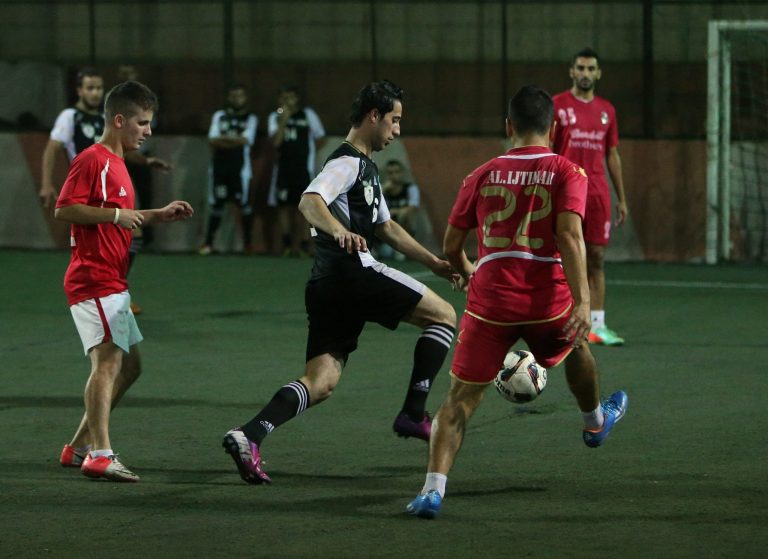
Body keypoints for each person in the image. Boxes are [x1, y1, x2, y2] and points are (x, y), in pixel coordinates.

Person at [406, 86, 629, 519]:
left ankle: (432, 490)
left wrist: (470, 270)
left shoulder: (482, 173)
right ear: (554, 126)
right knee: (578, 347)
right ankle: (594, 422)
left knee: (459, 400)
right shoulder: (568, 172)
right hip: (547, 301)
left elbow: (452, 245)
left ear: (508, 126)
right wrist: (583, 303)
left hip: (491, 304)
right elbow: (568, 236)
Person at [222, 80, 459, 485]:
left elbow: (386, 226)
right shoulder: (346, 163)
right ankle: (414, 413)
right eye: (394, 121)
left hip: (327, 284)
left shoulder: (366, 167)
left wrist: (433, 262)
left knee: (322, 381)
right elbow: (309, 201)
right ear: (374, 116)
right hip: (354, 273)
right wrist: (340, 231)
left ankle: (250, 434)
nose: (396, 131)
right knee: (444, 316)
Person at [55, 81, 194, 482]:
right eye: (142, 122)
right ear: (119, 121)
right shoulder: (93, 160)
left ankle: (77, 446)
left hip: (113, 280)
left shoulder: (119, 164)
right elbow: (65, 209)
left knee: (130, 368)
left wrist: (157, 214)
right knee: (108, 363)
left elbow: (119, 215)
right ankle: (100, 454)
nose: (148, 131)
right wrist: (118, 218)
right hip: (93, 278)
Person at [40, 67, 171, 314]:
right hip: (89, 189)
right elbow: (52, 149)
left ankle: (117, 289)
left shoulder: (106, 118)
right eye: (89, 87)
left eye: (99, 87)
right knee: (110, 239)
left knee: (131, 235)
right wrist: (47, 183)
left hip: (110, 181)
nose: (95, 93)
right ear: (79, 90)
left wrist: (147, 161)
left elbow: (118, 146)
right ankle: (108, 291)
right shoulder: (70, 116)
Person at [552, 48, 629, 346]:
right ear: (571, 71)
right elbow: (549, 149)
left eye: (591, 69)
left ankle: (598, 325)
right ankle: (560, 318)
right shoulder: (558, 106)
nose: (585, 73)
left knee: (596, 257)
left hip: (597, 193)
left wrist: (621, 197)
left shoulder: (607, 110)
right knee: (560, 256)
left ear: (598, 73)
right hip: (565, 191)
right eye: (580, 68)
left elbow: (612, 154)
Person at [266, 84, 326, 256]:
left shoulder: (307, 115)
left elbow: (320, 137)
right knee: (283, 205)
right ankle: (286, 243)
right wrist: (284, 120)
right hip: (283, 168)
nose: (287, 101)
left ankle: (305, 243)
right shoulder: (274, 117)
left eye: (290, 97)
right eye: (284, 98)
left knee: (304, 207)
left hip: (303, 168)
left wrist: (307, 153)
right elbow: (276, 142)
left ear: (297, 98)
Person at [200, 83, 258, 255]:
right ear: (228, 98)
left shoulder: (250, 118)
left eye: (240, 96)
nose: (236, 99)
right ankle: (208, 244)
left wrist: (224, 140)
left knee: (244, 205)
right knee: (217, 204)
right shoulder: (220, 116)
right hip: (219, 169)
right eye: (233, 96)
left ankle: (248, 245)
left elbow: (246, 140)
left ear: (245, 98)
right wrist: (234, 140)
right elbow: (212, 140)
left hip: (241, 171)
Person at [379, 159, 421, 260]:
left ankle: (405, 245)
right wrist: (383, 190)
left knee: (406, 214)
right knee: (386, 254)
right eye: (390, 173)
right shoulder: (381, 189)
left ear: (402, 173)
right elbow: (372, 204)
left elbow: (412, 208)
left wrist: (395, 212)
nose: (394, 176)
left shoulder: (410, 188)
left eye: (397, 172)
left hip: (404, 229)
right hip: (386, 231)